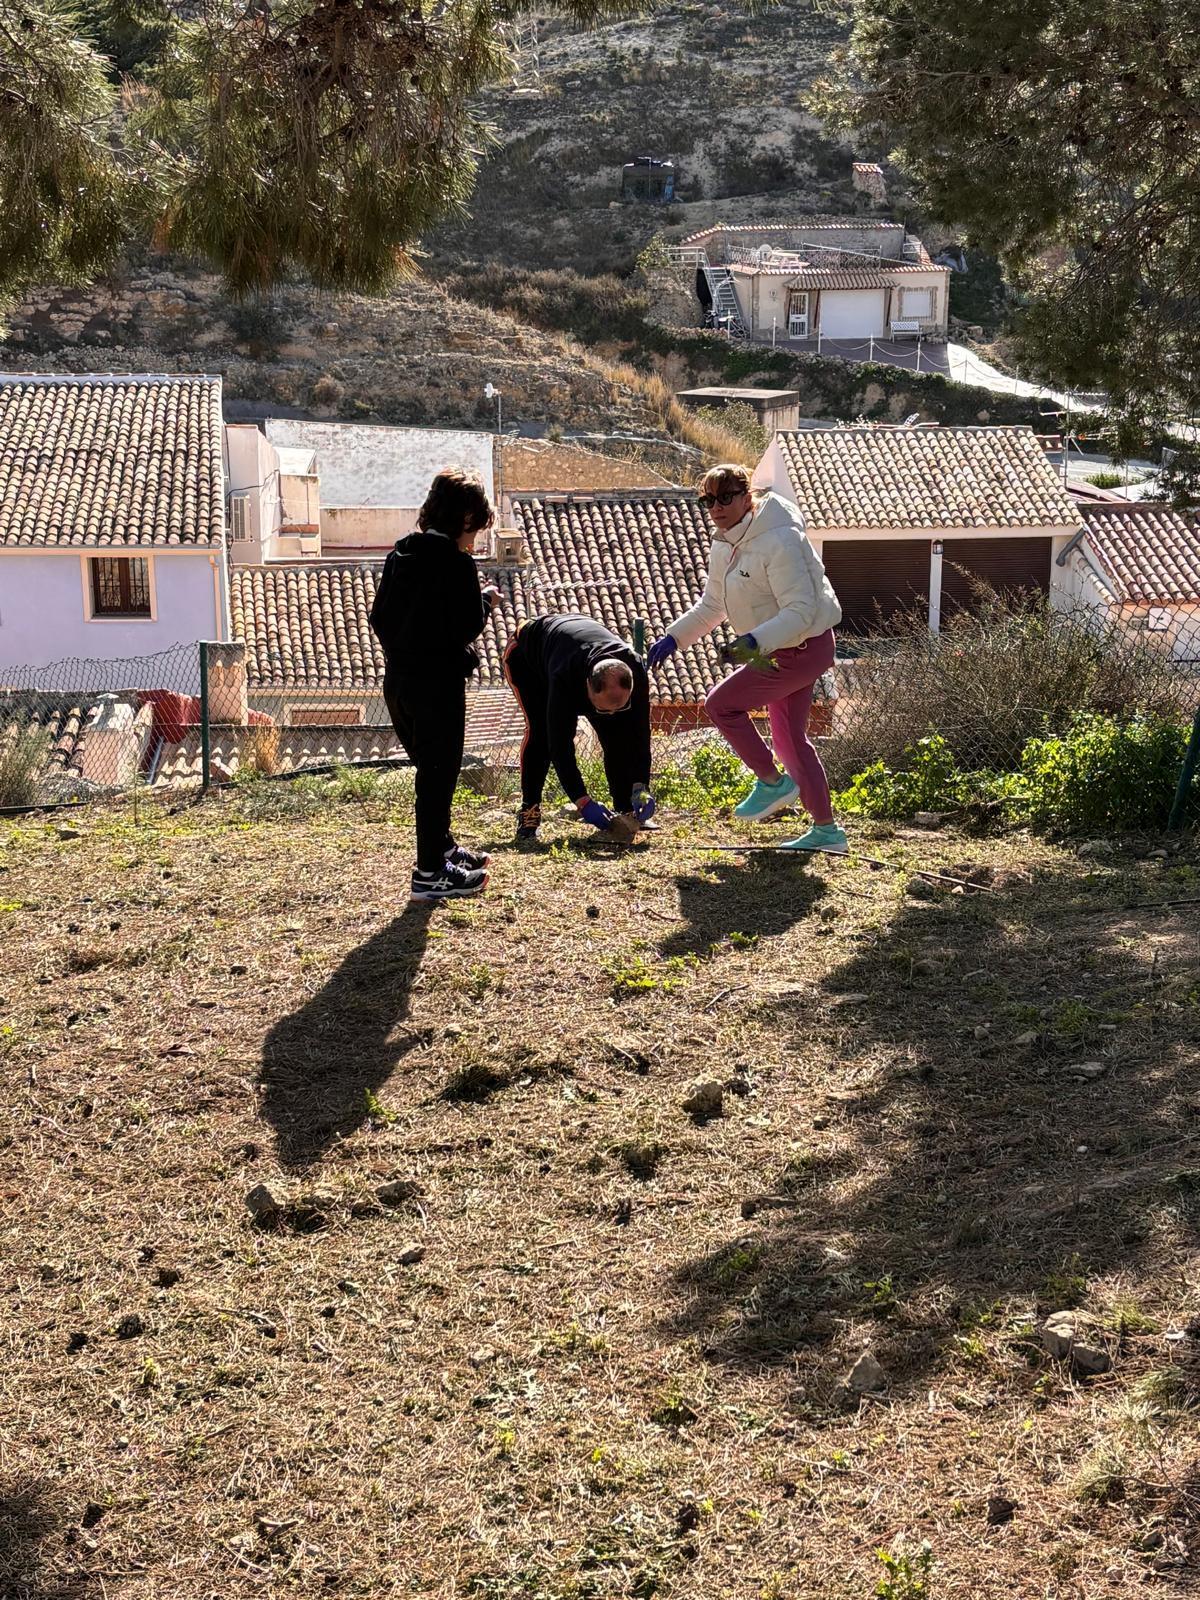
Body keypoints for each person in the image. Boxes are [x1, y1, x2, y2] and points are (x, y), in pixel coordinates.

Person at [647, 463, 847, 854]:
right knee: (791, 741)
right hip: (778, 650)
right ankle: (826, 831)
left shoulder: (779, 539)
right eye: (709, 500)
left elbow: (801, 610)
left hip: (800, 647)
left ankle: (773, 783)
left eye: (726, 497)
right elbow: (712, 606)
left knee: (720, 705)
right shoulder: (725, 543)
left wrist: (751, 644)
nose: (717, 507)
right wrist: (673, 638)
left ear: (746, 496)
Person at [369, 469, 500, 900]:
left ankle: (441, 848)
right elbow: (464, 625)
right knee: (438, 776)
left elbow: (379, 618)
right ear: (466, 520)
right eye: (477, 528)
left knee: (431, 771)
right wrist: (484, 600)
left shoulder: (400, 553)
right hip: (438, 687)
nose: (476, 539)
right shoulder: (457, 565)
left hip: (399, 683)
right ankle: (429, 874)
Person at [503, 613, 655, 843]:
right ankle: (529, 813)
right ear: (587, 688)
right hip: (528, 658)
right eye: (603, 708)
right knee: (541, 734)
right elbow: (560, 746)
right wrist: (582, 801)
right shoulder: (564, 677)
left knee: (616, 735)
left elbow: (640, 736)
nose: (610, 713)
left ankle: (626, 811)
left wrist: (641, 786)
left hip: (576, 642)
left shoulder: (636, 669)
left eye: (619, 706)